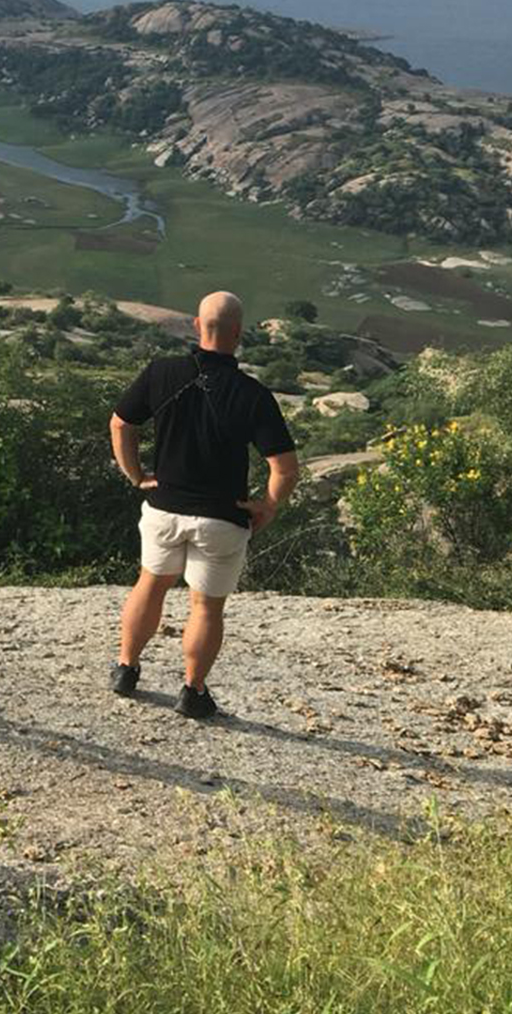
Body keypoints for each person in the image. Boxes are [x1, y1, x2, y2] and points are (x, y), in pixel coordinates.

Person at [108, 290, 298, 718]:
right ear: (238, 335)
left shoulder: (161, 373)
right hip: (222, 518)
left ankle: (125, 668)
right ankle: (192, 691)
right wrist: (267, 505)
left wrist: (137, 476)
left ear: (197, 326)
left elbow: (121, 423)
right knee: (206, 606)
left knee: (150, 585)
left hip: (164, 507)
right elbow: (285, 469)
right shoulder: (253, 394)